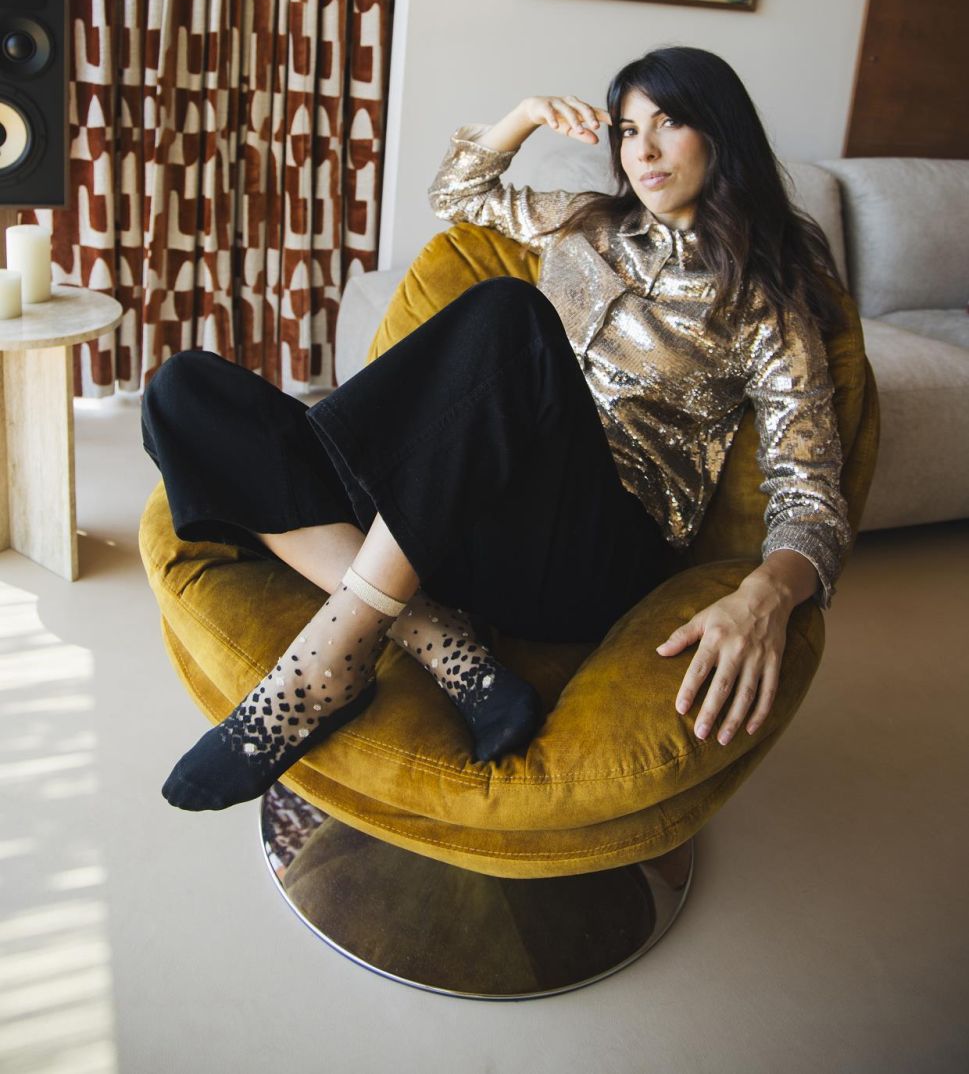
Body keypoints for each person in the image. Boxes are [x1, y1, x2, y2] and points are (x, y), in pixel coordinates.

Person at [141, 45, 852, 814]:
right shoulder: (586, 222)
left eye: (668, 123)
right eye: (625, 129)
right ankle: (444, 644)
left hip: (587, 553)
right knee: (184, 390)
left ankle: (323, 668)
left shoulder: (768, 305)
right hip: (455, 514)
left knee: (510, 315)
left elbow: (810, 496)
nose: (641, 150)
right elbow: (458, 192)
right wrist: (522, 117)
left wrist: (767, 594)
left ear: (720, 132)